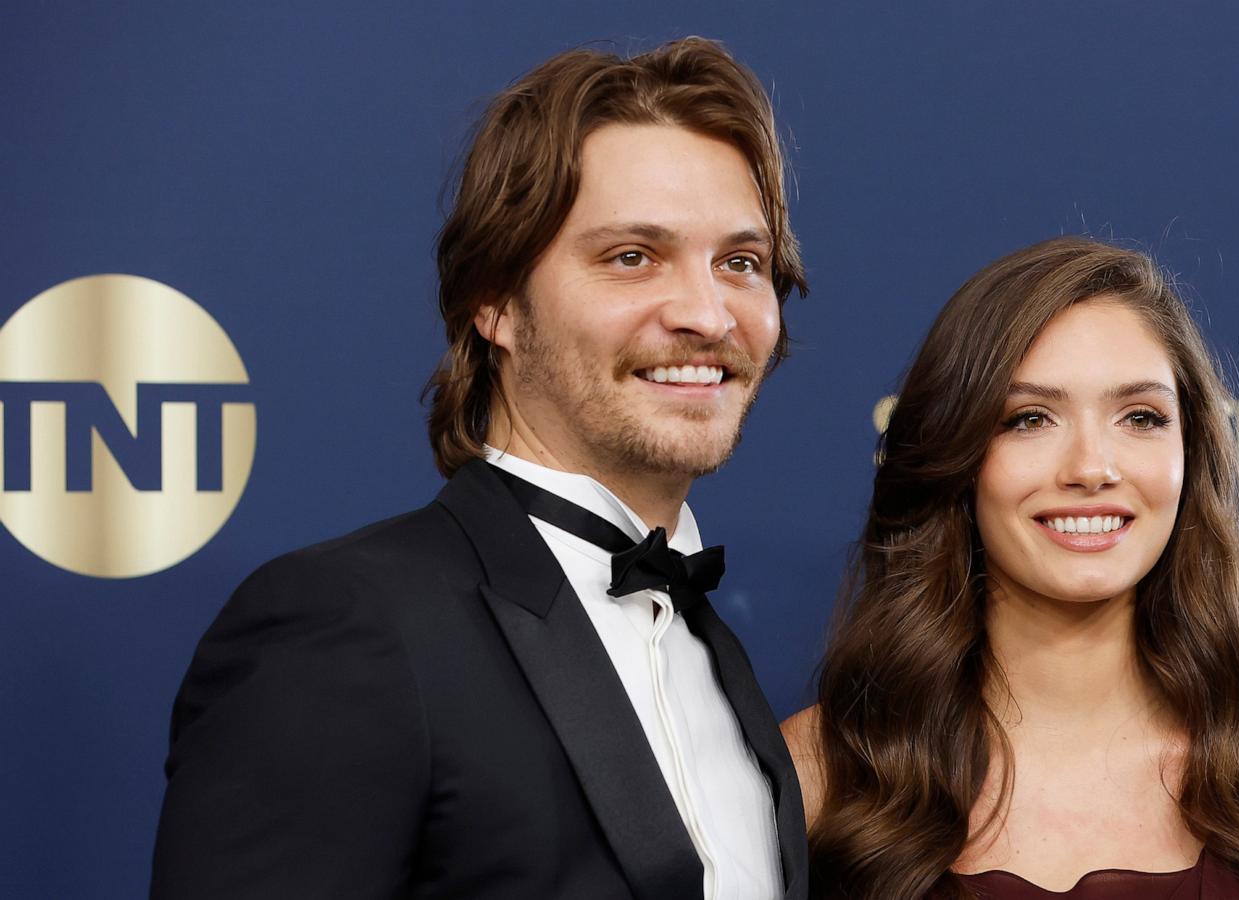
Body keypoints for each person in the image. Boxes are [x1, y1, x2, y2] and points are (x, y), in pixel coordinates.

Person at [153, 37, 808, 900]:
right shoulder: (349, 627)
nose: (705, 312)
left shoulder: (716, 654)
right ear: (493, 301)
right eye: (631, 257)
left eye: (740, 263)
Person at [782, 237, 1239, 899]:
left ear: (1192, 451)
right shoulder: (817, 778)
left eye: (1140, 417)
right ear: (959, 455)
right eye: (1030, 418)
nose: (1092, 467)